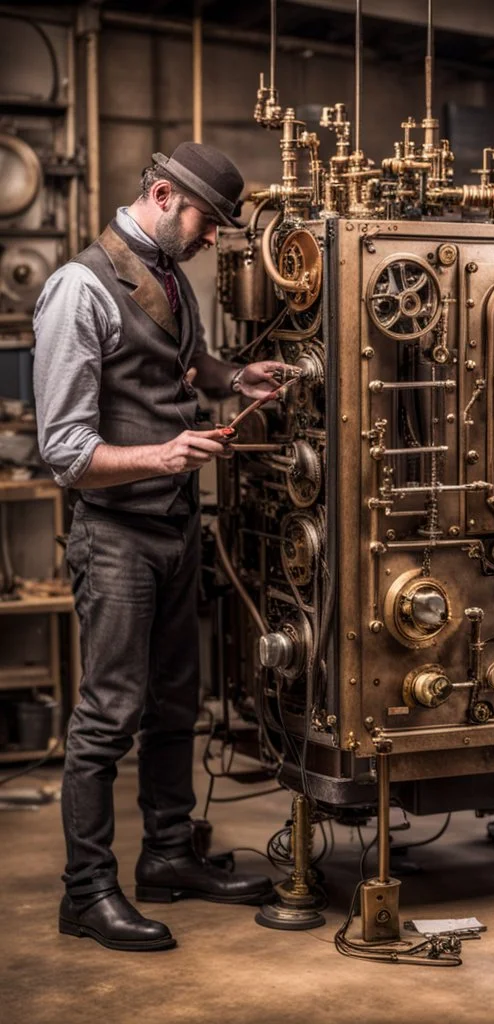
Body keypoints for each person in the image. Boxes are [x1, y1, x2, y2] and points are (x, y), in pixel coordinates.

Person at [34, 142, 294, 952]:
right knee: (109, 716)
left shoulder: (172, 273)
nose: (215, 238)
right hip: (115, 537)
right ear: (160, 194)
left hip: (177, 527)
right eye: (208, 222)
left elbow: (175, 370)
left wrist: (232, 377)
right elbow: (66, 451)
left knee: (178, 705)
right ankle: (87, 893)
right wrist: (165, 455)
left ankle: (170, 856)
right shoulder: (78, 288)